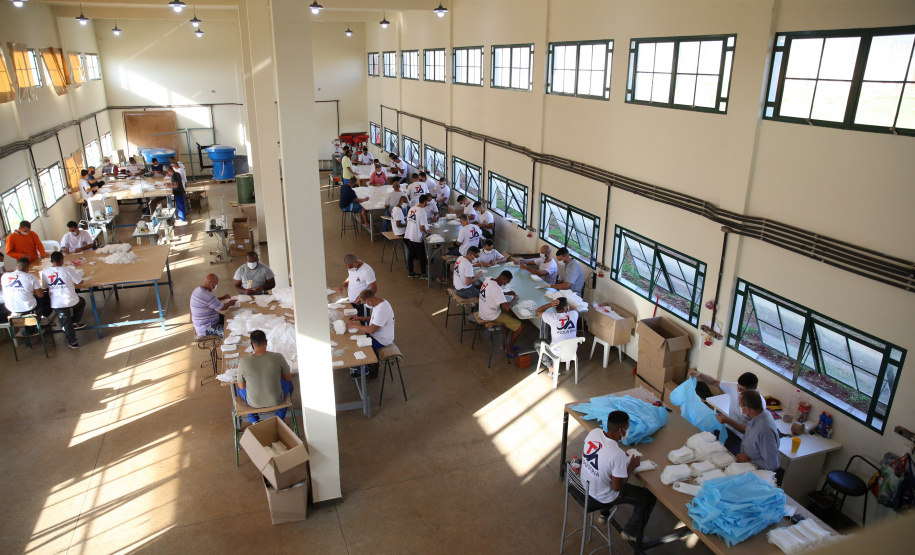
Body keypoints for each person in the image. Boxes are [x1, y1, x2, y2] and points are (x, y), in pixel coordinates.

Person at [580, 410, 657, 542]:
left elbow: (602, 452)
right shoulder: (617, 455)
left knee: (606, 475)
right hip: (600, 495)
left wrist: (621, 456)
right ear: (621, 430)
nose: (627, 431)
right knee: (648, 498)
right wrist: (631, 466)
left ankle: (604, 514)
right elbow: (617, 487)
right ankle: (630, 532)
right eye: (627, 428)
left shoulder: (595, 433)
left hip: (586, 484)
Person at [689, 369, 759, 454]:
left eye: (742, 390)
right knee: (700, 444)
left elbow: (751, 431)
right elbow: (714, 382)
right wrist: (700, 374)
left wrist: (728, 421)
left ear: (753, 390)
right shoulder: (735, 388)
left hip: (740, 438)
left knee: (723, 456)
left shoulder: (757, 404)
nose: (738, 391)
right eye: (738, 387)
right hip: (725, 428)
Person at [236, 330, 294, 423]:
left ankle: (254, 419)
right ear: (266, 342)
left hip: (253, 403)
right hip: (276, 400)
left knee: (239, 390)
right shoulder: (278, 357)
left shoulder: (243, 362)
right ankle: (280, 417)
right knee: (289, 385)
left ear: (251, 344)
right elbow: (287, 379)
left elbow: (242, 386)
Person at [41, 251, 87, 348]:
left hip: (57, 303)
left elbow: (45, 286)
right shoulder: (68, 270)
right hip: (71, 300)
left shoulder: (45, 272)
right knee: (81, 302)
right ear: (62, 260)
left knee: (65, 322)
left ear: (51, 261)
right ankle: (74, 321)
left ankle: (73, 342)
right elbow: (81, 282)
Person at [346, 289, 395, 380]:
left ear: (368, 300)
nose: (364, 304)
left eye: (363, 302)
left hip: (382, 339)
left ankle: (363, 371)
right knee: (354, 340)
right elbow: (373, 319)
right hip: (376, 335)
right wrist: (359, 318)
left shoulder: (382, 309)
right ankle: (359, 365)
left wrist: (354, 325)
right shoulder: (380, 302)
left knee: (359, 347)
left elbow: (371, 330)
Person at [477, 270, 523, 354]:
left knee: (510, 316)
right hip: (490, 315)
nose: (506, 284)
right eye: (507, 282)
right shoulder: (497, 289)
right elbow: (507, 307)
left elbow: (492, 292)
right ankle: (509, 349)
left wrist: (506, 293)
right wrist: (515, 298)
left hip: (483, 310)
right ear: (504, 280)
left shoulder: (488, 280)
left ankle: (503, 345)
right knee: (520, 327)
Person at [735, 390, 780, 471]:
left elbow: (772, 464)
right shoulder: (757, 416)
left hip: (756, 469)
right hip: (745, 461)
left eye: (740, 406)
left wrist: (750, 461)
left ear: (747, 409)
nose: (739, 408)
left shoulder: (764, 430)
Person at [2, 257, 53, 329]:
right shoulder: (31, 277)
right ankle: (44, 318)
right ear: (28, 268)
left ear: (16, 266)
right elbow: (40, 295)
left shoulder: (5, 276)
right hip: (27, 307)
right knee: (47, 296)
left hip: (10, 307)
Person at [535, 298, 579, 377]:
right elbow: (573, 309)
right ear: (565, 307)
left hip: (557, 352)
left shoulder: (552, 317)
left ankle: (550, 368)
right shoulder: (574, 314)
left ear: (555, 307)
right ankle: (559, 364)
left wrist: (550, 304)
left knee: (537, 342)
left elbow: (538, 311)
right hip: (573, 350)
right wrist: (568, 306)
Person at [404, 194, 430, 279]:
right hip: (416, 237)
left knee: (410, 256)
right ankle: (423, 274)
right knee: (422, 256)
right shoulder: (422, 212)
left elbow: (407, 221)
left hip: (408, 235)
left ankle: (411, 272)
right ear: (425, 201)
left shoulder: (412, 208)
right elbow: (422, 227)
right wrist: (428, 232)